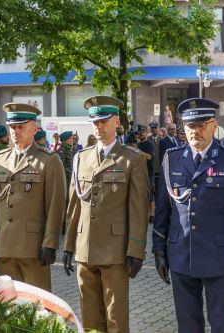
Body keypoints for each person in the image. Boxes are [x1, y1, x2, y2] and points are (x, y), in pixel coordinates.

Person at [153, 98, 224, 333]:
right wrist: (158, 248)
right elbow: (163, 209)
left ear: (213, 126)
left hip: (219, 257)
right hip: (180, 255)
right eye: (189, 126)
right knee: (187, 325)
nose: (194, 131)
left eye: (200, 125)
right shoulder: (172, 159)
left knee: (220, 324)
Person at [63, 95, 149, 333]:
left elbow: (138, 208)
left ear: (117, 122)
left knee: (115, 318)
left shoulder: (132, 159)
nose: (99, 127)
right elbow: (74, 206)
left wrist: (136, 249)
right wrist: (69, 245)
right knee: (90, 317)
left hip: (115, 251)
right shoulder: (81, 157)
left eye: (104, 121)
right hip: (85, 249)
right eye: (95, 122)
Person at [0, 103, 66, 291]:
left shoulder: (48, 160)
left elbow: (56, 205)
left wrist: (51, 242)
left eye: (21, 126)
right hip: (5, 246)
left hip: (33, 247)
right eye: (12, 127)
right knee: (9, 307)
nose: (15, 131)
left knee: (38, 306)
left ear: (34, 128)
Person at [137, 125, 155, 223]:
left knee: (150, 194)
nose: (141, 133)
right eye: (140, 132)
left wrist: (137, 150)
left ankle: (152, 214)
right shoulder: (137, 145)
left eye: (143, 131)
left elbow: (148, 157)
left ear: (147, 132)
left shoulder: (150, 144)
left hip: (149, 173)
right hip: (139, 173)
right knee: (140, 194)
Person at [148, 121, 161, 195]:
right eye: (152, 128)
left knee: (159, 188)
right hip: (151, 167)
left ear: (158, 129)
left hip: (159, 167)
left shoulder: (162, 139)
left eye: (155, 128)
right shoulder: (147, 139)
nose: (154, 130)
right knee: (152, 189)